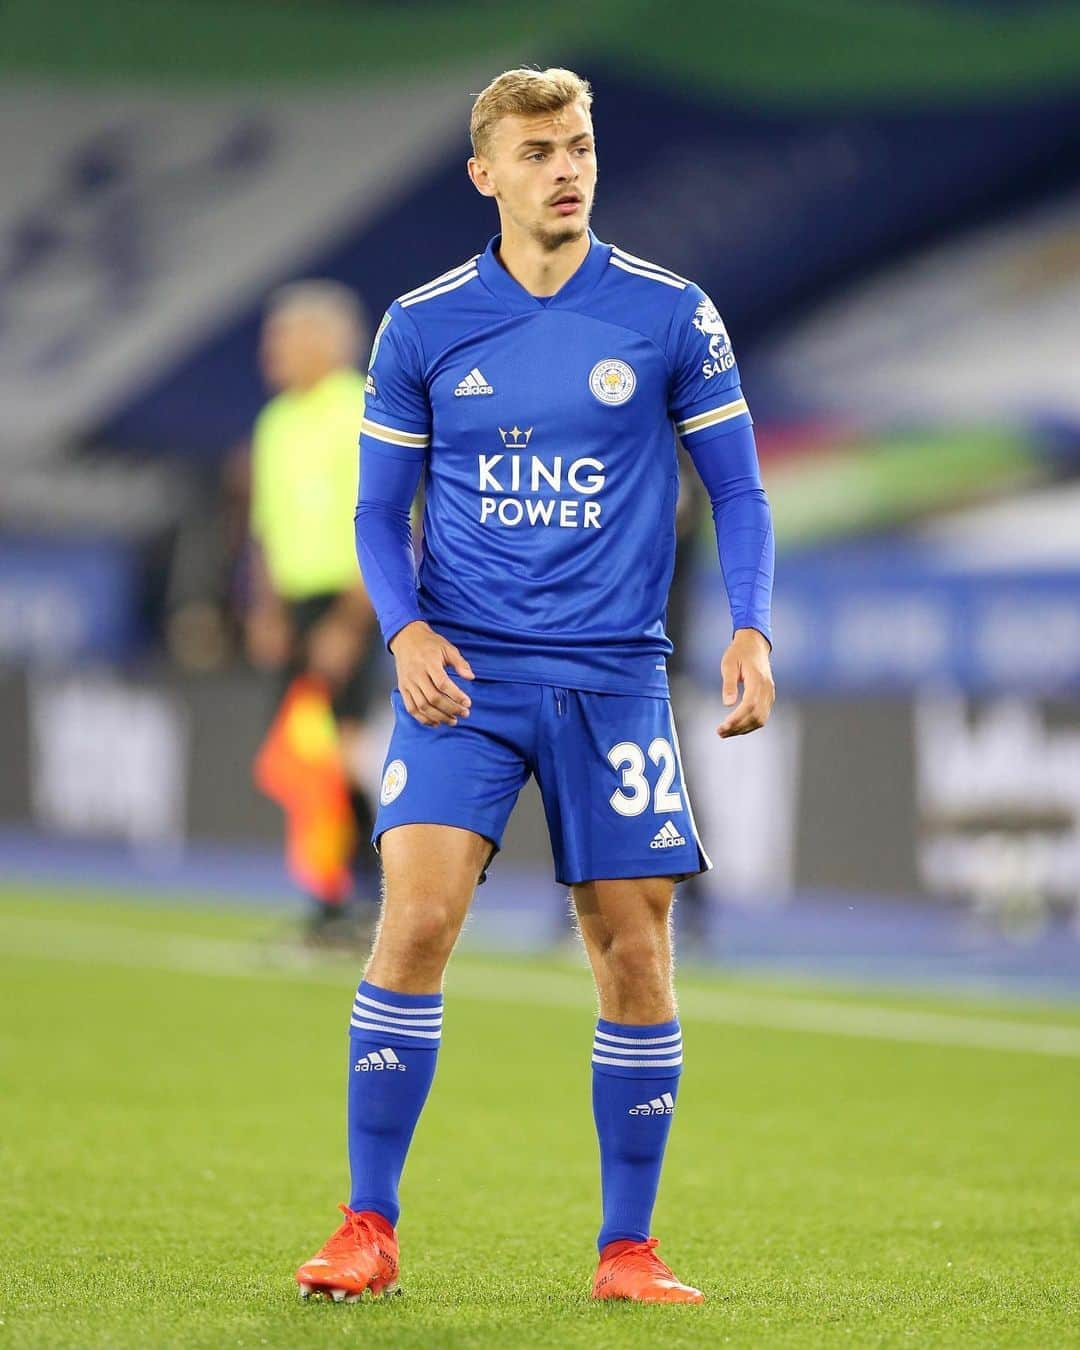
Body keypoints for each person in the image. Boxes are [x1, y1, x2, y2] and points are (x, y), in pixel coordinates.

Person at [295, 67, 775, 1304]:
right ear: (486, 173)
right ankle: (367, 1225)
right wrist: (402, 631)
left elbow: (739, 490)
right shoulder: (424, 322)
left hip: (614, 681)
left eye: (579, 145)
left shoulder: (671, 314)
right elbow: (374, 510)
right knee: (414, 919)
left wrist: (752, 626)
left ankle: (628, 1249)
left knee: (634, 948)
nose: (567, 167)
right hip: (466, 673)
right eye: (539, 150)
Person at [247, 281, 381, 940]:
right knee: (306, 762)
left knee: (343, 755)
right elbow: (266, 528)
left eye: (284, 338)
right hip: (296, 604)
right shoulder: (274, 421)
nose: (272, 351)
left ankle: (380, 893)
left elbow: (383, 520)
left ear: (325, 343)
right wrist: (265, 610)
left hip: (349, 600)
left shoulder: (360, 408)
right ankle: (331, 899)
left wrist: (350, 622)